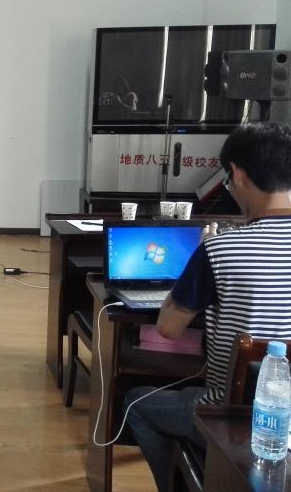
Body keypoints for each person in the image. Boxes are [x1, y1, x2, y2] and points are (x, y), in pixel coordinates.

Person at [125, 122, 291, 491]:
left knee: (136, 404)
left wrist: (199, 257)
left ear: (238, 174)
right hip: (285, 424)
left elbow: (168, 329)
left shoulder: (221, 249)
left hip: (229, 415)